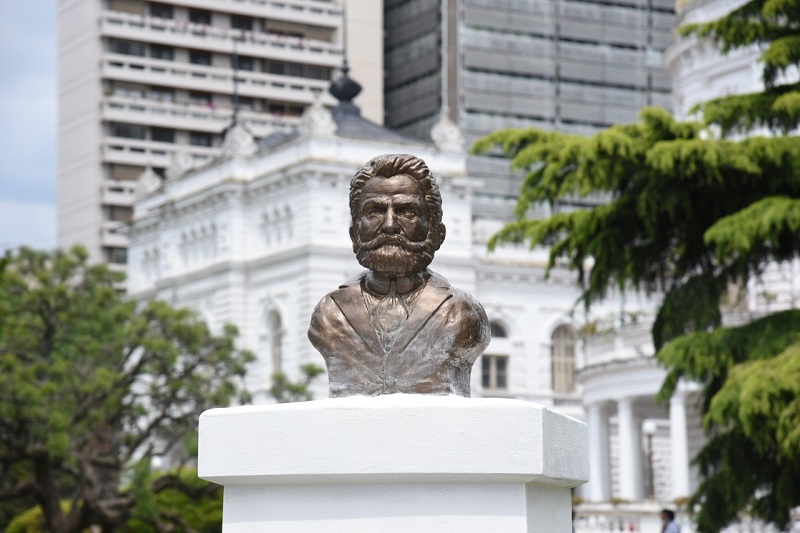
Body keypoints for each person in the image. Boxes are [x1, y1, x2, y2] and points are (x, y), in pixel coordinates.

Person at [308, 154, 490, 397]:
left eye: (406, 212)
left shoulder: (460, 313)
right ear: (354, 233)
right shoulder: (330, 313)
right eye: (375, 211)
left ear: (437, 233)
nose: (389, 225)